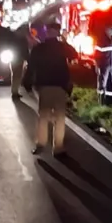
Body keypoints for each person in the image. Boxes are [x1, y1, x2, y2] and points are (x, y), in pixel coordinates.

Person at [27, 23, 77, 156]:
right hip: (60, 85)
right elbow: (74, 55)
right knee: (60, 118)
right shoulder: (62, 47)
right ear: (58, 33)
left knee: (43, 116)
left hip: (44, 85)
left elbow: (31, 65)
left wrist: (27, 82)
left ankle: (41, 144)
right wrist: (64, 41)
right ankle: (58, 148)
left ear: (47, 32)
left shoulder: (39, 48)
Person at [95, 26, 112, 106]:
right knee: (102, 83)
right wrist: (97, 66)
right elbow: (96, 55)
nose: (111, 32)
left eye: (111, 30)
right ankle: (101, 101)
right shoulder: (101, 40)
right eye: (109, 30)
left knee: (111, 83)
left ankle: (109, 101)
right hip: (104, 65)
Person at [11, 25, 31, 99]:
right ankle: (15, 92)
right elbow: (25, 49)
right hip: (19, 58)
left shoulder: (13, 38)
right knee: (17, 75)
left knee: (16, 75)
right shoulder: (22, 39)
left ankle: (15, 91)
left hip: (16, 58)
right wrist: (27, 58)